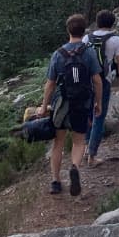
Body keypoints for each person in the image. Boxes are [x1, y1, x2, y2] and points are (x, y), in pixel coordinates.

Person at [36, 14, 103, 197]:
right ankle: (74, 167)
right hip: (82, 103)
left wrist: (43, 106)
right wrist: (98, 103)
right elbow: (97, 80)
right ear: (84, 31)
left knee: (58, 142)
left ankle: (56, 181)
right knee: (79, 141)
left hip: (61, 103)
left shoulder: (58, 54)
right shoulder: (88, 52)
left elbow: (50, 84)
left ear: (68, 30)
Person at [83, 10, 119, 164]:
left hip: (85, 81)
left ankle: (85, 147)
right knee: (99, 116)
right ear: (112, 23)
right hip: (103, 81)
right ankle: (92, 155)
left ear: (97, 22)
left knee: (88, 114)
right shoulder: (115, 39)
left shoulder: (86, 38)